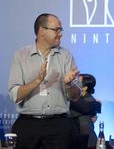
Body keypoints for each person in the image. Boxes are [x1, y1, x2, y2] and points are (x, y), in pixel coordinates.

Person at [8, 13, 81, 149]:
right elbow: (14, 95)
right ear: (42, 31)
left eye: (61, 30)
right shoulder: (20, 56)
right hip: (28, 125)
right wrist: (37, 81)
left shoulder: (66, 56)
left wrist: (68, 84)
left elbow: (75, 96)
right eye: (56, 30)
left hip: (59, 125)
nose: (60, 34)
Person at [70, 74, 101, 149]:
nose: (73, 83)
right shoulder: (80, 99)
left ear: (84, 88)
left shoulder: (89, 101)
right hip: (79, 139)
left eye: (77, 81)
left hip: (87, 142)